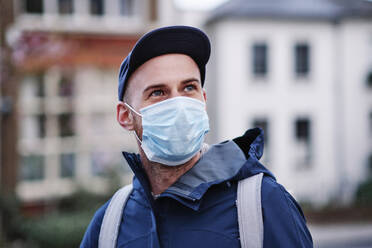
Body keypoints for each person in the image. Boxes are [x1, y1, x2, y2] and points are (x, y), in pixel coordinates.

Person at [80, 25, 313, 248]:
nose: (178, 104)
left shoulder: (262, 204)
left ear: (203, 99)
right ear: (125, 116)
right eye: (158, 92)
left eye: (188, 88)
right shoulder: (109, 226)